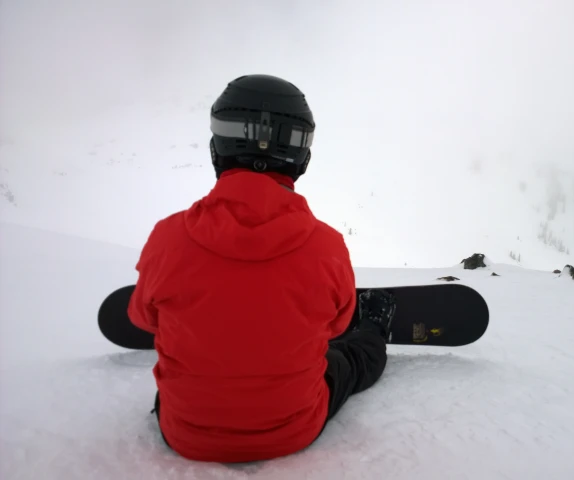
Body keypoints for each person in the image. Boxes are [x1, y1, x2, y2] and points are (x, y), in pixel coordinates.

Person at [127, 74, 396, 463]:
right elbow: (337, 325)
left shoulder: (167, 238)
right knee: (347, 357)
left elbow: (144, 319)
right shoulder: (327, 247)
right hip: (293, 431)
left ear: (217, 147)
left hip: (185, 432)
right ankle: (375, 330)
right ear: (302, 156)